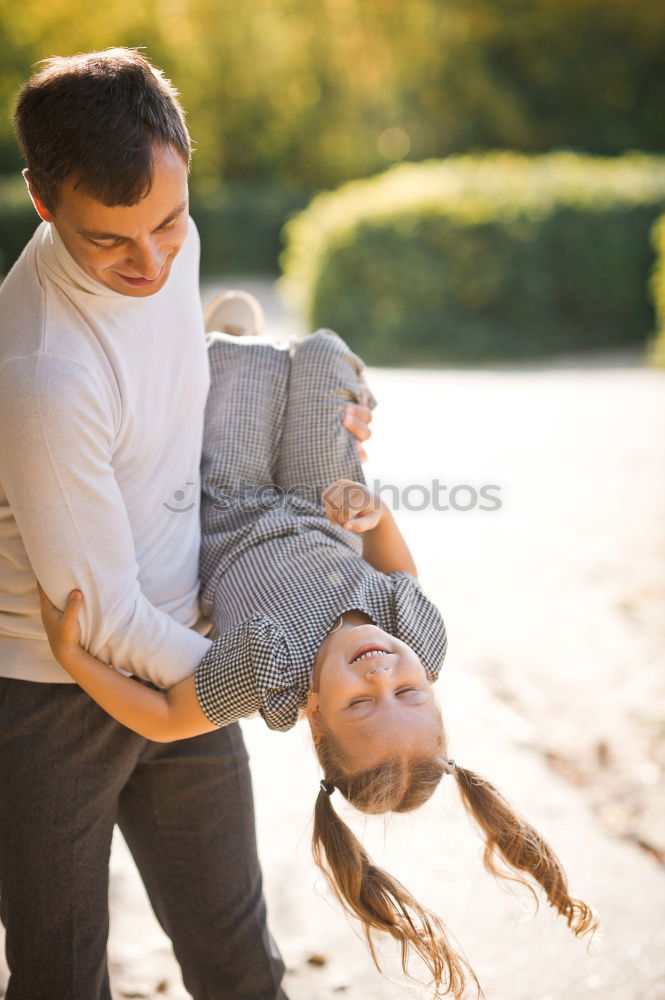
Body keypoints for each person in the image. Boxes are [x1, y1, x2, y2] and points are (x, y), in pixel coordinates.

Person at [39, 328, 599, 1000]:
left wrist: (73, 656)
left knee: (237, 362)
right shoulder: (420, 638)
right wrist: (371, 513)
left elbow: (164, 719)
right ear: (431, 686)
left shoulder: (272, 673)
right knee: (327, 352)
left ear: (311, 713)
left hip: (229, 502)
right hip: (318, 498)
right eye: (408, 692)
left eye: (360, 704)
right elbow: (400, 569)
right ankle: (268, 357)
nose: (380, 675)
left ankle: (236, 345)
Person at [0, 48, 373, 1000]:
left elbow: (184, 385)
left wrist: (319, 410)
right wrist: (285, 684)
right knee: (59, 978)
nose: (153, 261)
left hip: (187, 644)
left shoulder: (170, 244)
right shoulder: (42, 377)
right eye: (110, 243)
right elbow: (103, 620)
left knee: (239, 960)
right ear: (43, 204)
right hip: (48, 697)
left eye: (168, 222)